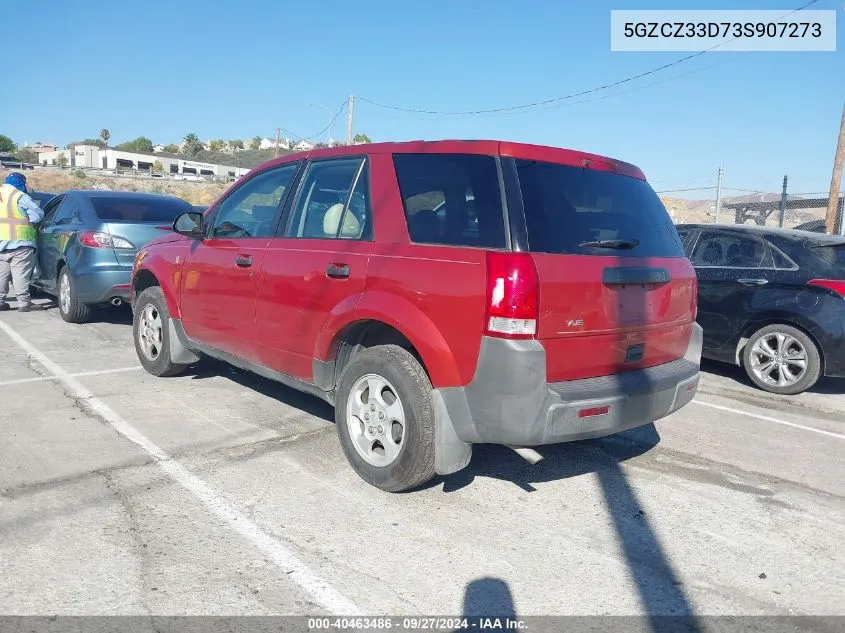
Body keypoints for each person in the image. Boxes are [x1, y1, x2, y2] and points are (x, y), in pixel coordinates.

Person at [0, 172, 45, 312]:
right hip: (21, 241)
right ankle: (24, 303)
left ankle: (0, 301)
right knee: (20, 274)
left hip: (2, 242)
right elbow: (38, 215)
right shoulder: (19, 196)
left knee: (2, 274)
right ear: (20, 183)